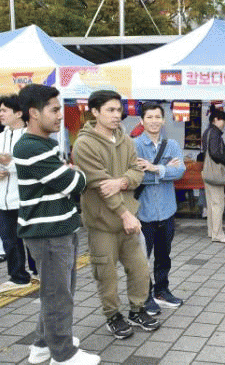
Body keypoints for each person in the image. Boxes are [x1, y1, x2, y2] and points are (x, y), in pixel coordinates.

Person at [13, 84, 99, 365]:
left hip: (59, 229)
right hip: (47, 233)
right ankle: (63, 354)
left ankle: (42, 345)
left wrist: (72, 175)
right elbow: (73, 183)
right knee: (57, 296)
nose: (61, 115)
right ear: (34, 113)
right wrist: (76, 174)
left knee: (58, 292)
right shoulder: (31, 147)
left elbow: (67, 181)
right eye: (55, 109)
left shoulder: (43, 144)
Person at [72, 90, 160, 340]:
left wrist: (121, 182)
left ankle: (137, 310)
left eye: (118, 110)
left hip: (129, 221)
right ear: (95, 112)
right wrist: (124, 214)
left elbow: (137, 172)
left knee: (140, 269)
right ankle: (112, 315)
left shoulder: (125, 140)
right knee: (106, 274)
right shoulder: (84, 144)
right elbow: (100, 185)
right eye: (110, 110)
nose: (116, 115)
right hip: (103, 223)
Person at [133, 103, 186, 316]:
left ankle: (161, 291)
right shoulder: (134, 145)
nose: (154, 121)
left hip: (167, 210)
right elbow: (136, 177)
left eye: (157, 117)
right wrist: (165, 171)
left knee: (164, 256)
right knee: (141, 258)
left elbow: (180, 171)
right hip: (143, 213)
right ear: (142, 120)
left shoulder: (171, 145)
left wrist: (154, 168)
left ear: (164, 120)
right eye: (149, 117)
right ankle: (144, 296)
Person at [0, 95, 32, 292]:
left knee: (32, 240)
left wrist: (9, 164)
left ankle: (38, 272)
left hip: (25, 198)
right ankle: (18, 276)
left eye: (4, 110)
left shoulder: (29, 137)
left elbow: (32, 166)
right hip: (3, 200)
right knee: (10, 241)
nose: (1, 114)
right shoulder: (1, 136)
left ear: (19, 113)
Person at [202, 106, 225, 243]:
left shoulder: (207, 132)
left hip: (207, 172)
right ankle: (218, 234)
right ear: (216, 119)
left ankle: (211, 231)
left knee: (211, 203)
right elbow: (214, 153)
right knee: (218, 204)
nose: (224, 123)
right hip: (215, 173)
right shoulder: (215, 133)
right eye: (223, 120)